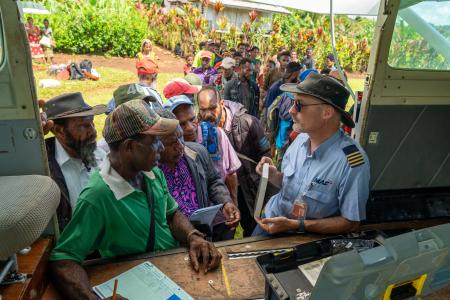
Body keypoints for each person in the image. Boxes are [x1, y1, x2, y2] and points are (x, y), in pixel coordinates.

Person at [50, 100, 222, 300]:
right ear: (130, 147)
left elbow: (171, 213)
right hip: (137, 287)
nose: (160, 147)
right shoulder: (97, 196)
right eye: (154, 141)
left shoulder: (152, 173)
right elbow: (63, 260)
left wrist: (193, 236)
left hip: (173, 274)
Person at [254, 73, 370, 235]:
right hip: (271, 219)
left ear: (327, 113)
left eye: (299, 105)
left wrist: (297, 225)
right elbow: (293, 185)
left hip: (305, 236)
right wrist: (274, 175)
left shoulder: (351, 162)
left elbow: (351, 222)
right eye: (293, 103)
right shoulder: (301, 139)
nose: (291, 110)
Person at [197, 87, 272, 236]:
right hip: (220, 191)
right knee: (226, 230)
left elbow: (265, 152)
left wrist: (264, 163)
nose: (208, 115)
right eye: (203, 110)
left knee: (252, 230)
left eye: (212, 108)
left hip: (247, 190)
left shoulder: (249, 123)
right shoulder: (198, 127)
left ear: (222, 104)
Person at [157, 108, 241, 241]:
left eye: (180, 137)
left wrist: (226, 202)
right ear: (156, 144)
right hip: (171, 244)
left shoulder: (198, 153)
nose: (180, 146)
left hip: (203, 235)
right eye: (172, 142)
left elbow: (213, 181)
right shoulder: (149, 172)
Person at [43, 93, 107, 231]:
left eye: (92, 123)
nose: (93, 131)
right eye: (83, 126)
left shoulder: (101, 156)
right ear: (59, 131)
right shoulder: (44, 167)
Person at [166, 93, 242, 205]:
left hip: (221, 210)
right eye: (182, 124)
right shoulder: (168, 150)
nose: (190, 127)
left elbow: (230, 172)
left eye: (192, 119)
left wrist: (233, 202)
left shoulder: (216, 135)